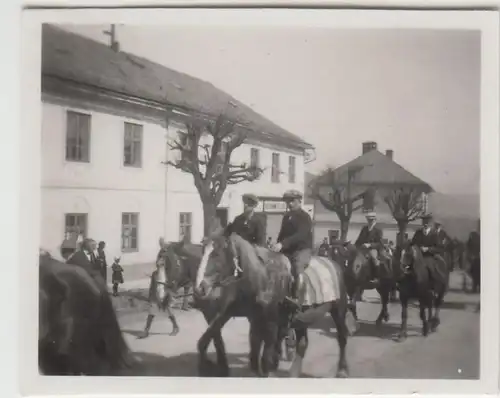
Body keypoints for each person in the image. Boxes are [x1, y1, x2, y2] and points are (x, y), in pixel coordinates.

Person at [273, 189, 313, 308]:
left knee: (297, 267)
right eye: (287, 201)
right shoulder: (286, 217)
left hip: (302, 250)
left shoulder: (305, 217)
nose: (289, 204)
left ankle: (298, 297)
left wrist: (283, 244)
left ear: (299, 201)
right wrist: (276, 245)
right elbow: (282, 234)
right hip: (286, 251)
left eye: (292, 201)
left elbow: (301, 234)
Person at [354, 211, 386, 282]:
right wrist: (355, 246)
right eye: (368, 219)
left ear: (375, 220)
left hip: (373, 249)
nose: (370, 221)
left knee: (374, 258)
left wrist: (370, 245)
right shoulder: (364, 229)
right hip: (362, 249)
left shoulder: (378, 230)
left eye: (371, 219)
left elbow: (380, 243)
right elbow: (359, 240)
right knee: (354, 258)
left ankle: (376, 277)